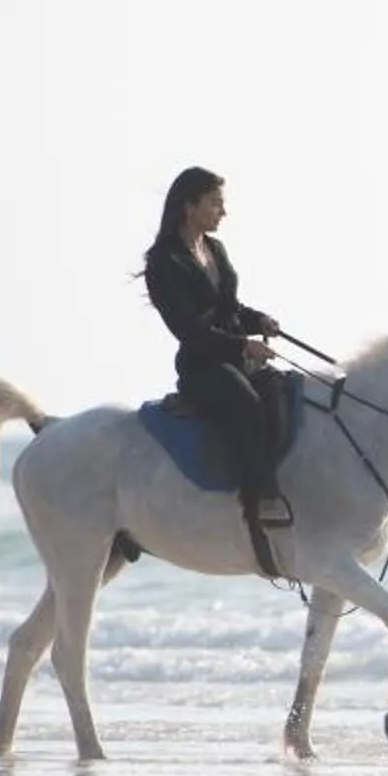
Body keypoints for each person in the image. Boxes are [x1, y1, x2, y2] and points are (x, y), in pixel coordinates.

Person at [141, 165, 291, 526]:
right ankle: (257, 499)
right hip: (202, 365)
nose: (223, 212)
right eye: (215, 204)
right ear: (189, 206)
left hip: (237, 356)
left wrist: (259, 322)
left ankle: (274, 478)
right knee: (248, 405)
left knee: (283, 393)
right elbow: (188, 329)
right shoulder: (163, 262)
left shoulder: (214, 248)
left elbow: (230, 307)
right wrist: (243, 347)